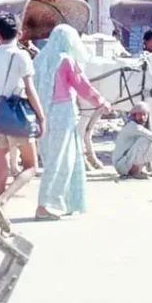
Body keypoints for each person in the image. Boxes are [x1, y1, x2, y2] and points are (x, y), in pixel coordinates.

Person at [30, 25, 109, 219]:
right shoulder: (65, 60)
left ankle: (66, 201)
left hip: (43, 115)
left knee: (55, 159)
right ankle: (44, 205)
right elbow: (82, 85)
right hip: (62, 113)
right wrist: (101, 102)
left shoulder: (40, 59)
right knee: (62, 160)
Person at [0, 13, 46, 235]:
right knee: (30, 166)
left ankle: (1, 224)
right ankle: (2, 201)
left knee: (1, 169)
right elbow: (30, 89)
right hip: (17, 117)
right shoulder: (22, 56)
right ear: (19, 34)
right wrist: (41, 116)